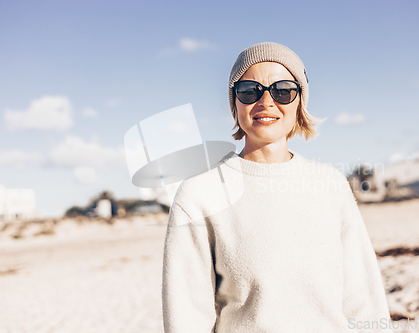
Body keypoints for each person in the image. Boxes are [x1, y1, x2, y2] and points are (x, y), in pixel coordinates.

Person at [162, 42, 393, 333]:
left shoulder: (330, 184)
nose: (266, 102)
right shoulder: (199, 195)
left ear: (300, 102)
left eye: (283, 90)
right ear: (235, 102)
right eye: (249, 90)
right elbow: (187, 316)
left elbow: (363, 297)